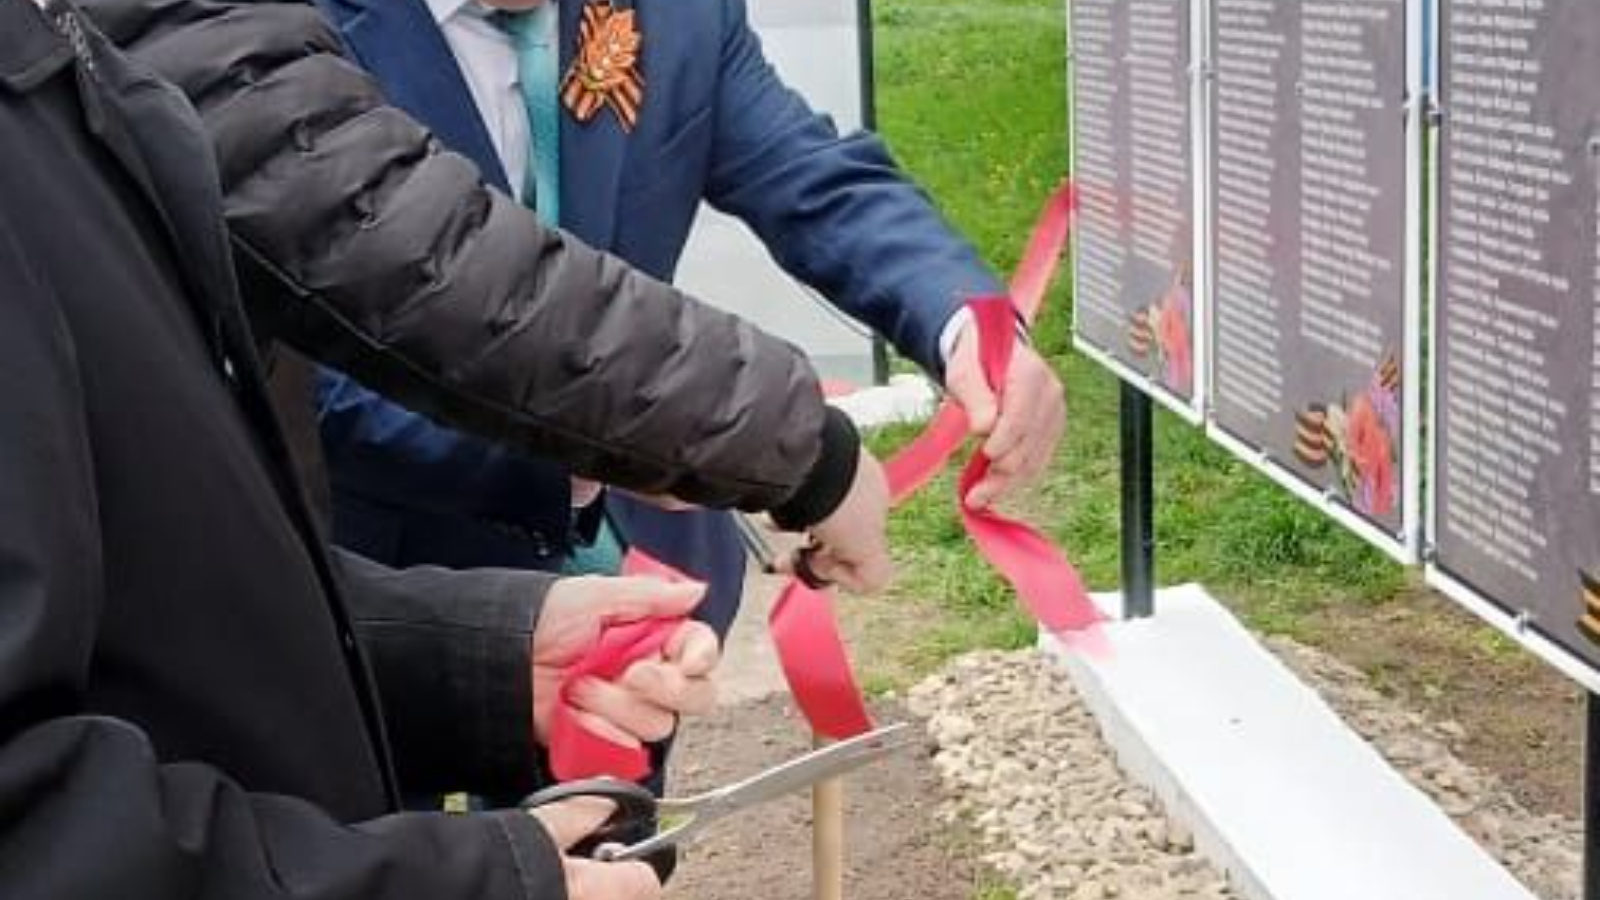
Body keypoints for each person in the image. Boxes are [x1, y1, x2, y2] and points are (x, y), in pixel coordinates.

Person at [0, 0, 899, 895]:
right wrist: (468, 880)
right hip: (402, 542)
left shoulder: (64, 58)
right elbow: (384, 248)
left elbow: (144, 590)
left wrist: (479, 658)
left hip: (442, 654)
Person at [304, 0, 1069, 639]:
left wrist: (966, 324)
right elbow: (315, 369)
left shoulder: (678, 15)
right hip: (391, 592)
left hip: (651, 581)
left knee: (628, 776)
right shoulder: (289, 36)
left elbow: (809, 176)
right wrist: (668, 441)